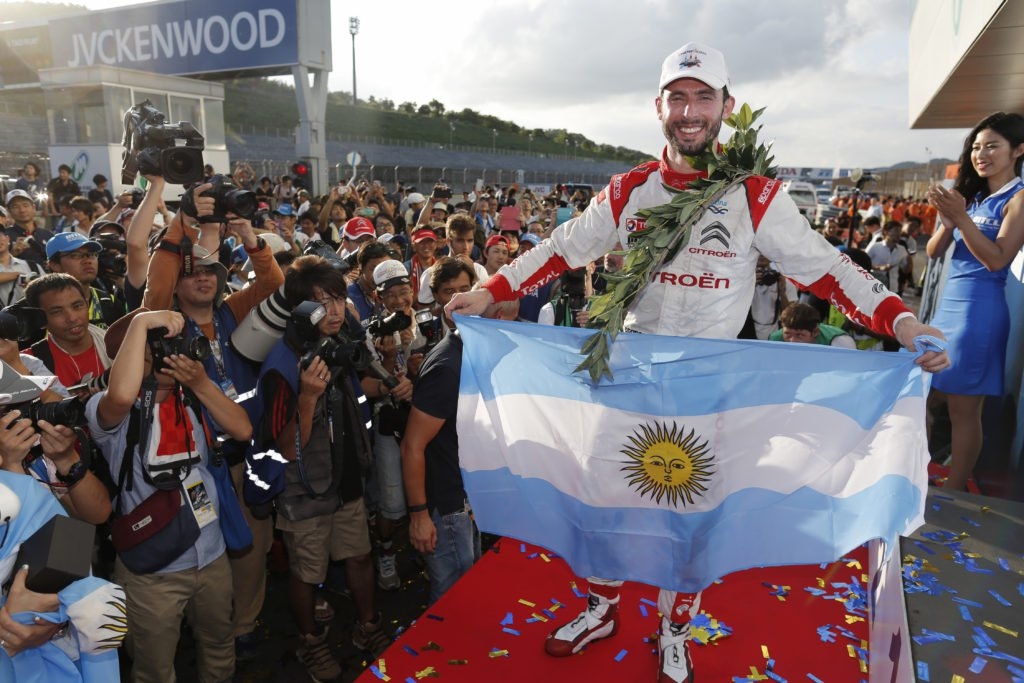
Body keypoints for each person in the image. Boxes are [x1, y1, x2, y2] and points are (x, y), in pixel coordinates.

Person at [446, 41, 949, 683]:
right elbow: (559, 250)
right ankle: (601, 608)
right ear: (658, 107)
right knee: (604, 496)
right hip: (625, 375)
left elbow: (827, 269)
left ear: (726, 106)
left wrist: (900, 320)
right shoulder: (630, 190)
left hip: (711, 390)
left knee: (691, 515)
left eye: (703, 97)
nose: (690, 111)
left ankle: (674, 627)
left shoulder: (756, 197)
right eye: (678, 97)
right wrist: (489, 289)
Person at [254, 256, 389, 681]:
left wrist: (388, 379)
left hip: (346, 475)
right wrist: (308, 396)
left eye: (339, 299)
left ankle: (368, 628)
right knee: (307, 572)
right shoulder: (281, 363)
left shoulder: (338, 340)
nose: (334, 311)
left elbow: (356, 391)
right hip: (303, 488)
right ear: (299, 310)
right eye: (322, 302)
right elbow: (283, 448)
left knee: (360, 557)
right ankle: (311, 641)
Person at [925, 111, 1024, 491]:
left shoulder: (1017, 199)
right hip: (948, 310)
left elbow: (998, 258)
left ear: (1018, 150)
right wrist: (949, 221)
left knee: (963, 411)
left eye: (992, 146)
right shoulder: (977, 198)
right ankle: (929, 467)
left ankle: (954, 490)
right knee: (922, 397)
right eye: (977, 147)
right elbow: (934, 253)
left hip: (979, 316)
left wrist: (962, 218)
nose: (981, 155)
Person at [401, 257, 481, 603]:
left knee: (470, 592)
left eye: (466, 290)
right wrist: (419, 516)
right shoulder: (447, 366)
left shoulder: (472, 350)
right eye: (449, 293)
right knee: (452, 602)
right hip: (447, 506)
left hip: (467, 500)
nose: (459, 300)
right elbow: (412, 446)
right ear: (437, 300)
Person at [768, 302, 857, 348]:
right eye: (787, 334)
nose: (792, 340)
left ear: (815, 332)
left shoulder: (840, 342)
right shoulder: (774, 340)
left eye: (799, 335)